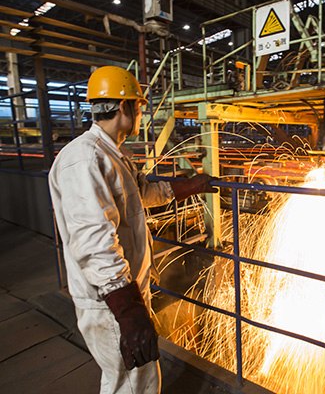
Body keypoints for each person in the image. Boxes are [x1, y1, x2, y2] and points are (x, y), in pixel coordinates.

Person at [48, 65, 217, 393]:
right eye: (139, 106)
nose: (141, 113)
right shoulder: (84, 160)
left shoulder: (113, 154)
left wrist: (188, 187)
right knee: (134, 384)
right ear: (125, 107)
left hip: (123, 293)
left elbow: (139, 194)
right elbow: (93, 240)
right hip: (109, 299)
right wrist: (128, 311)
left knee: (128, 380)